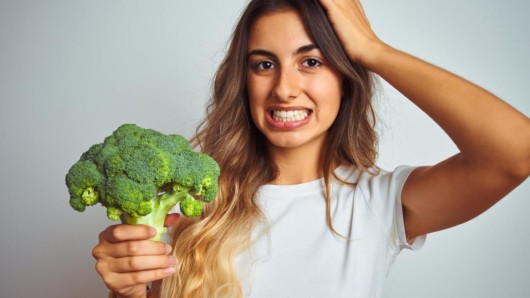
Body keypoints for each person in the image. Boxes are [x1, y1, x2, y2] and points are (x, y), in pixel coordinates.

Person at [91, 0, 530, 297]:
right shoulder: (189, 201)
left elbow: (516, 153)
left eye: (312, 61)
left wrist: (373, 49)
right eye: (264, 64)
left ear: (345, 76)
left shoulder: (379, 202)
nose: (284, 88)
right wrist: (125, 292)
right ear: (242, 81)